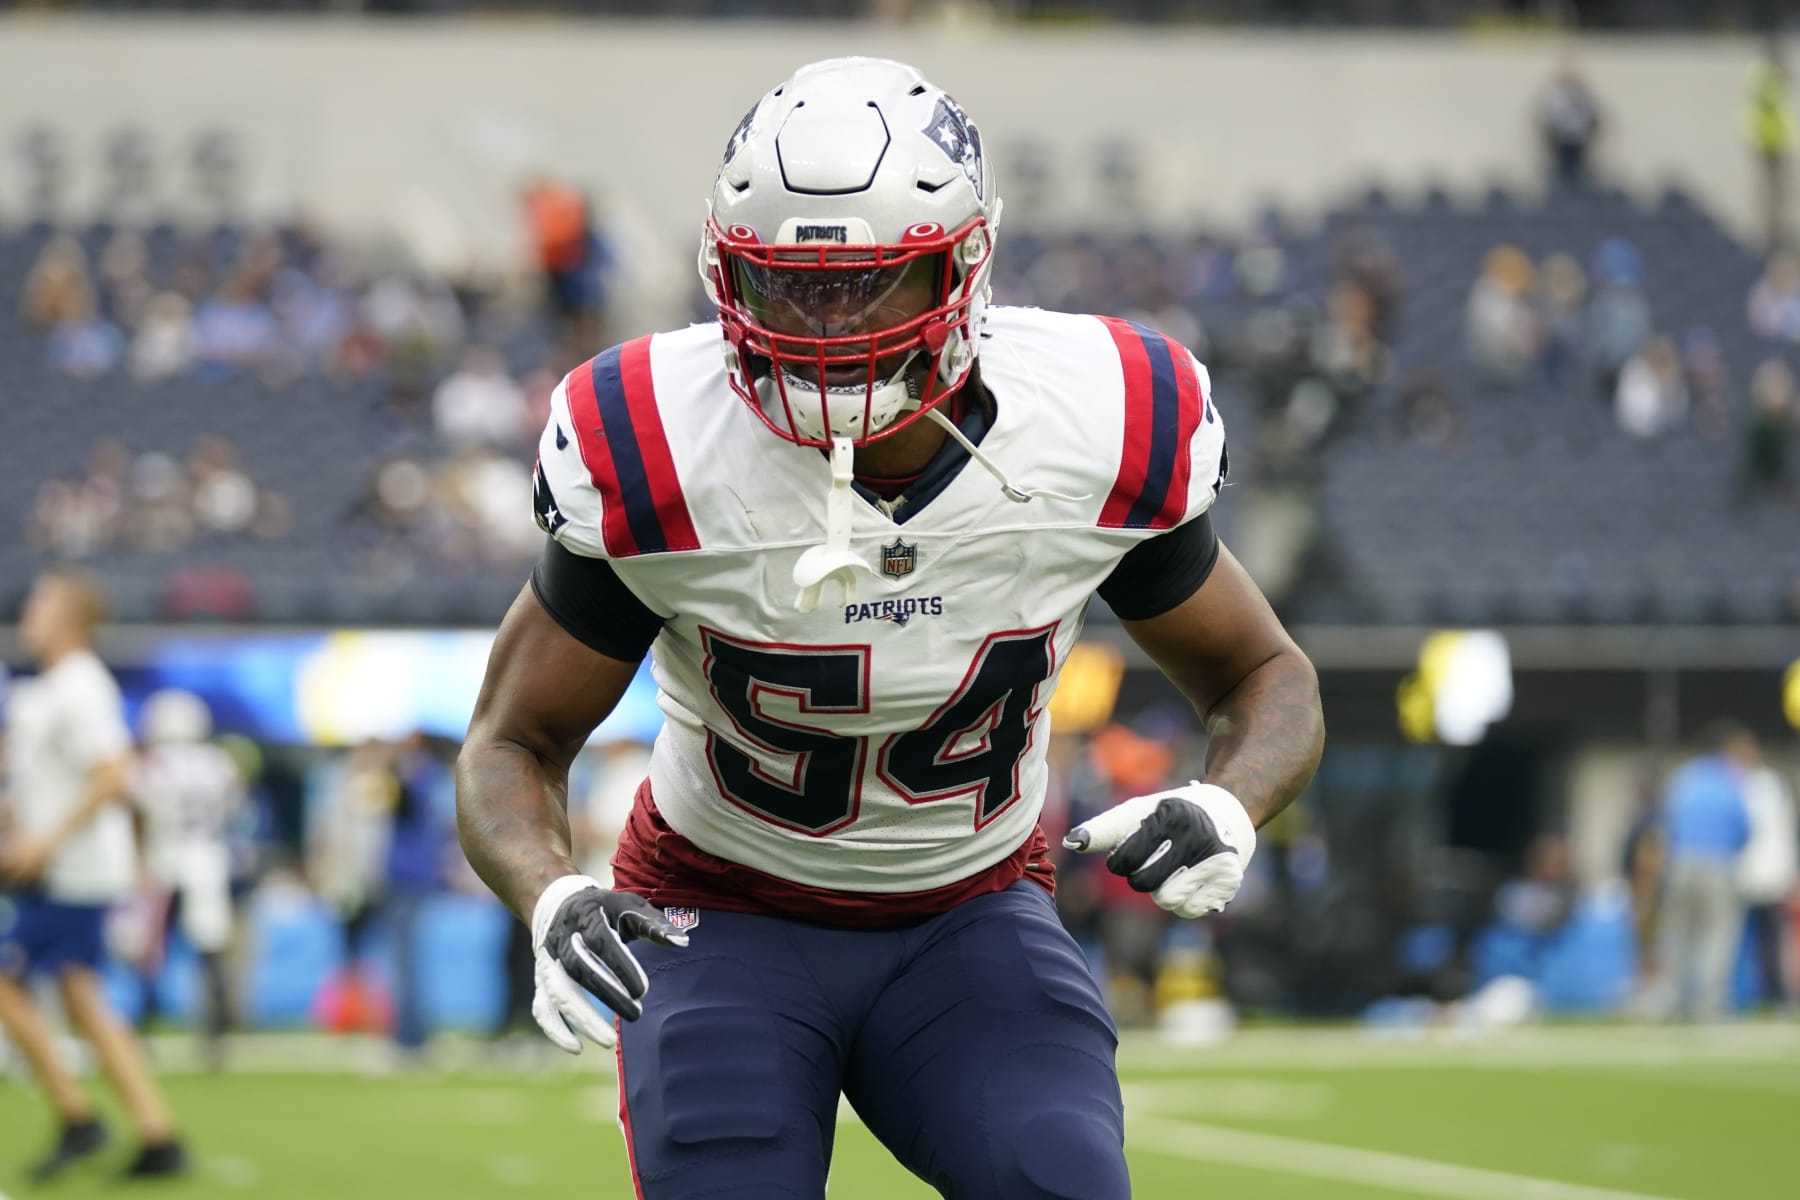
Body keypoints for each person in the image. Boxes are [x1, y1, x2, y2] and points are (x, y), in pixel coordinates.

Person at [457, 57, 1324, 1200]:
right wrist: (552, 890)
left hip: (971, 911)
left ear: (964, 267)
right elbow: (512, 740)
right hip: (721, 914)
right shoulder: (659, 447)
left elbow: (1263, 672)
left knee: (1061, 1179)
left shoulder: (1097, 421)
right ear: (727, 275)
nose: (828, 327)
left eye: (870, 284)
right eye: (787, 287)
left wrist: (1228, 801)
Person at [0, 569, 188, 1179]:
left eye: (40, 604)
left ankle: (77, 1116)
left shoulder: (82, 686)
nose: (28, 614)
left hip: (73, 871)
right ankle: (157, 1135)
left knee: (8, 981)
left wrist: (43, 842)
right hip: (60, 868)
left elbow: (112, 775)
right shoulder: (53, 687)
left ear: (70, 617)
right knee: (83, 1001)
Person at [133, 687, 244, 1070]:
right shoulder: (218, 762)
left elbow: (139, 811)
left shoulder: (152, 764)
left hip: (164, 858)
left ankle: (143, 1025)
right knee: (209, 951)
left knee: (152, 951)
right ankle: (216, 1032)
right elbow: (232, 809)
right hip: (206, 860)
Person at [1655, 722, 1756, 1022]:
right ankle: (1710, 1004)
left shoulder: (1685, 776)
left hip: (1681, 862)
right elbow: (1743, 827)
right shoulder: (1730, 780)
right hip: (1718, 863)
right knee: (1718, 934)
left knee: (1679, 933)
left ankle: (1676, 1000)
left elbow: (1667, 822)